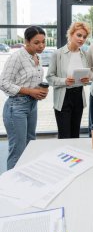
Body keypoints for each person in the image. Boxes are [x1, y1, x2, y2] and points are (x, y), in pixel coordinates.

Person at [0, 26, 48, 170]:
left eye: (43, 42)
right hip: (16, 107)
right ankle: (11, 188)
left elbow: (28, 79)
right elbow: (3, 83)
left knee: (30, 144)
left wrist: (39, 91)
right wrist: (30, 91)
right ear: (27, 41)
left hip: (32, 105)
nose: (41, 46)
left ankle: (25, 180)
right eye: (36, 42)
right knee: (18, 150)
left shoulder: (36, 56)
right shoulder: (17, 57)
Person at [47, 22, 90, 139]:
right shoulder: (58, 54)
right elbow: (49, 77)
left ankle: (75, 156)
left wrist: (86, 80)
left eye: (84, 37)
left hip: (78, 96)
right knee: (65, 134)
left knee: (75, 134)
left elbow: (87, 78)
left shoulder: (85, 54)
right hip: (63, 97)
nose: (82, 39)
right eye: (79, 35)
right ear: (71, 35)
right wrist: (64, 81)